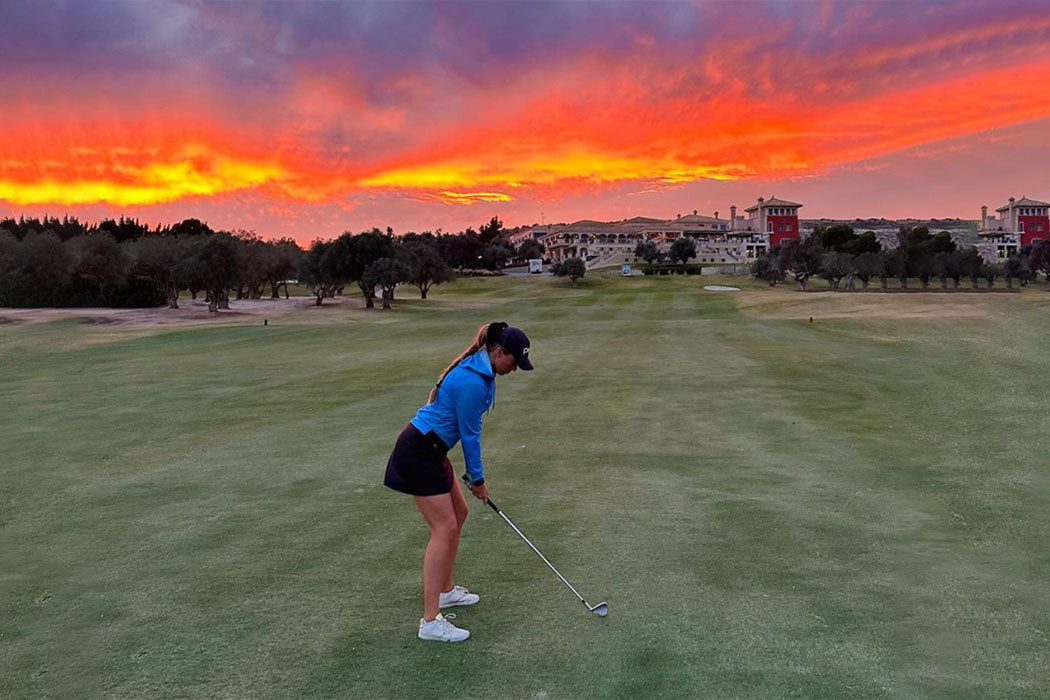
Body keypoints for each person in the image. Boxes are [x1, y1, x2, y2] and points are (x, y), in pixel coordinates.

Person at [384, 321, 533, 642]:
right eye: (514, 362)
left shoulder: (483, 372)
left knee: (459, 514)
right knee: (445, 527)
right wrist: (477, 479)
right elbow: (470, 436)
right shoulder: (473, 381)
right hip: (418, 451)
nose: (515, 369)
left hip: (433, 450)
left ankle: (446, 590)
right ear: (499, 352)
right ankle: (430, 621)